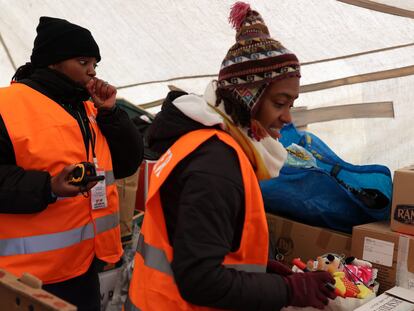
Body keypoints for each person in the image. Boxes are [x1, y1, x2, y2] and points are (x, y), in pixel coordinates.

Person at [125, 2, 336, 311]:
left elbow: (199, 243)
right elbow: (200, 280)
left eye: (291, 103)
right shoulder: (217, 166)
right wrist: (287, 290)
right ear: (248, 99)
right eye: (280, 103)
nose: (287, 118)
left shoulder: (207, 142)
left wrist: (260, 270)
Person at [0, 17, 143, 310]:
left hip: (84, 268)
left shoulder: (90, 107)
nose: (92, 71)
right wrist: (49, 187)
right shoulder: (6, 106)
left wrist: (112, 113)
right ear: (54, 62)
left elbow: (128, 163)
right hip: (23, 278)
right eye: (83, 61)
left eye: (95, 63)